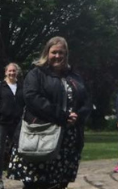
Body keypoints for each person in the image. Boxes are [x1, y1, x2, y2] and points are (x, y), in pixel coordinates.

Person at [7, 36, 92, 189]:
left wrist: (77, 117)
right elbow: (33, 99)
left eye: (62, 53)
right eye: (54, 52)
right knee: (37, 183)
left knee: (59, 183)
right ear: (47, 53)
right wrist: (62, 116)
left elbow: (86, 102)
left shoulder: (74, 77)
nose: (58, 56)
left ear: (66, 55)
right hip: (41, 137)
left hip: (68, 140)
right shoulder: (36, 74)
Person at [0, 63, 24, 189]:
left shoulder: (21, 87)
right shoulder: (1, 86)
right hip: (3, 123)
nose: (12, 73)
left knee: (22, 150)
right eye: (9, 71)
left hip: (18, 123)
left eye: (14, 71)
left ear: (17, 72)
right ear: (5, 72)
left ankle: (24, 176)